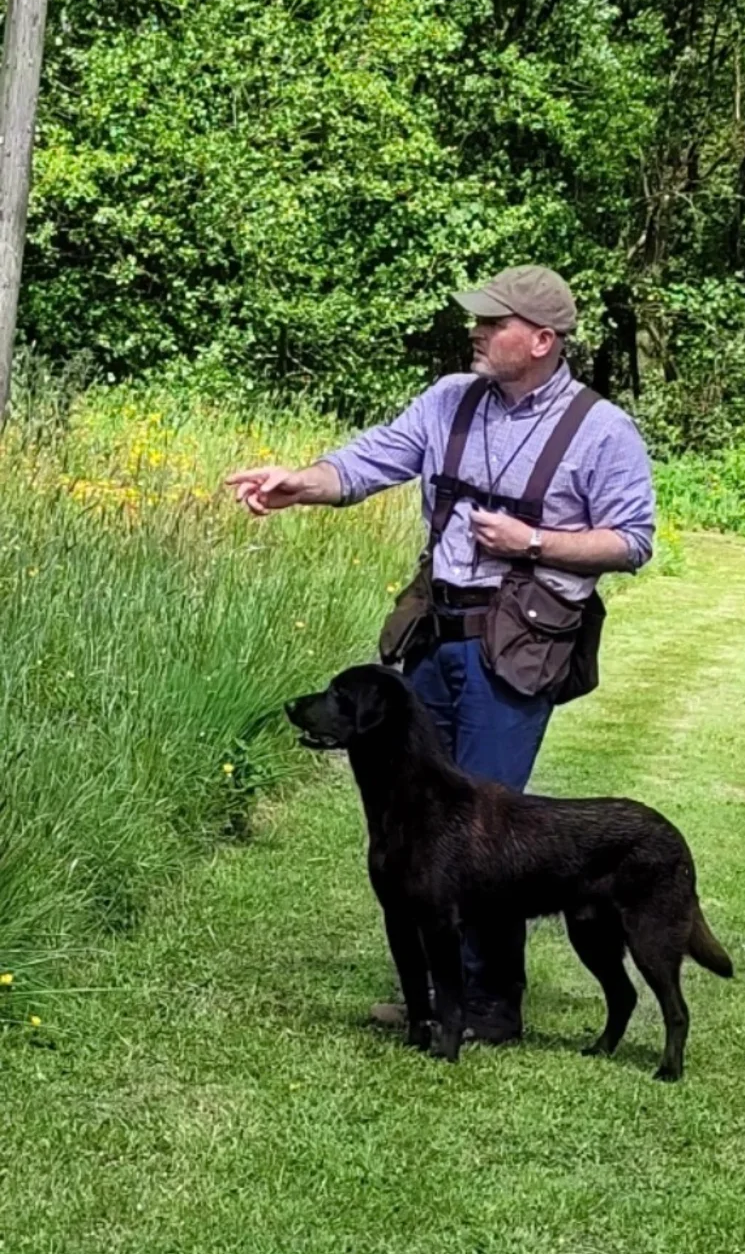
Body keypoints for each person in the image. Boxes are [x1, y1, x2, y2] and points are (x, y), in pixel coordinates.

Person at [226, 264, 656, 1044]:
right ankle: (432, 999)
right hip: (433, 639)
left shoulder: (602, 431)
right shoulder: (448, 399)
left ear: (542, 339)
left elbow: (632, 541)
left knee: (490, 833)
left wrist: (533, 540)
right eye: (480, 322)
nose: (477, 332)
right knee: (420, 822)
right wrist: (299, 482)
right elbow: (366, 463)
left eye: (494, 323)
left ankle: (492, 1005)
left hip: (516, 649)